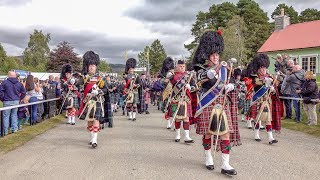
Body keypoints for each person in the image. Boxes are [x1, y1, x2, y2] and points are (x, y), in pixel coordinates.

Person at [192, 30, 240, 175]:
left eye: (217, 54)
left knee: (225, 133)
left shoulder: (225, 69)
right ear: (207, 56)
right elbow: (201, 81)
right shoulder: (201, 69)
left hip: (222, 104)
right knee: (207, 133)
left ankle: (225, 164)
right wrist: (208, 74)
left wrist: (232, 86)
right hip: (208, 103)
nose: (215, 57)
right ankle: (208, 157)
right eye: (213, 55)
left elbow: (230, 82)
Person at [244, 53, 280, 144]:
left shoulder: (269, 77)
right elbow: (255, 83)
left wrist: (272, 89)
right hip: (257, 99)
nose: (264, 70)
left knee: (268, 119)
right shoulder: (255, 77)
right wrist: (265, 81)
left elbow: (274, 91)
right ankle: (256, 134)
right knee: (257, 118)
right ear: (258, 68)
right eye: (262, 68)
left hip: (266, 101)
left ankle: (270, 138)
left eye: (265, 68)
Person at [78, 51, 107, 148]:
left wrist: (98, 91)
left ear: (96, 67)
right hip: (87, 101)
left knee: (96, 119)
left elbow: (105, 89)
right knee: (89, 120)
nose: (91, 67)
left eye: (93, 66)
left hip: (97, 100)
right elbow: (78, 85)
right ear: (87, 67)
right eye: (90, 65)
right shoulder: (84, 78)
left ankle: (95, 140)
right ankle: (91, 137)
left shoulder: (100, 79)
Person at [0, 71, 26, 135]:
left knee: (6, 116)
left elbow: (0, 92)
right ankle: (14, 129)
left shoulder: (4, 82)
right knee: (14, 115)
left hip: (7, 101)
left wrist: (3, 99)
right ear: (15, 76)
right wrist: (19, 99)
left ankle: (5, 131)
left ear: (8, 75)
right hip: (16, 101)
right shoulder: (19, 83)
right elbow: (24, 92)